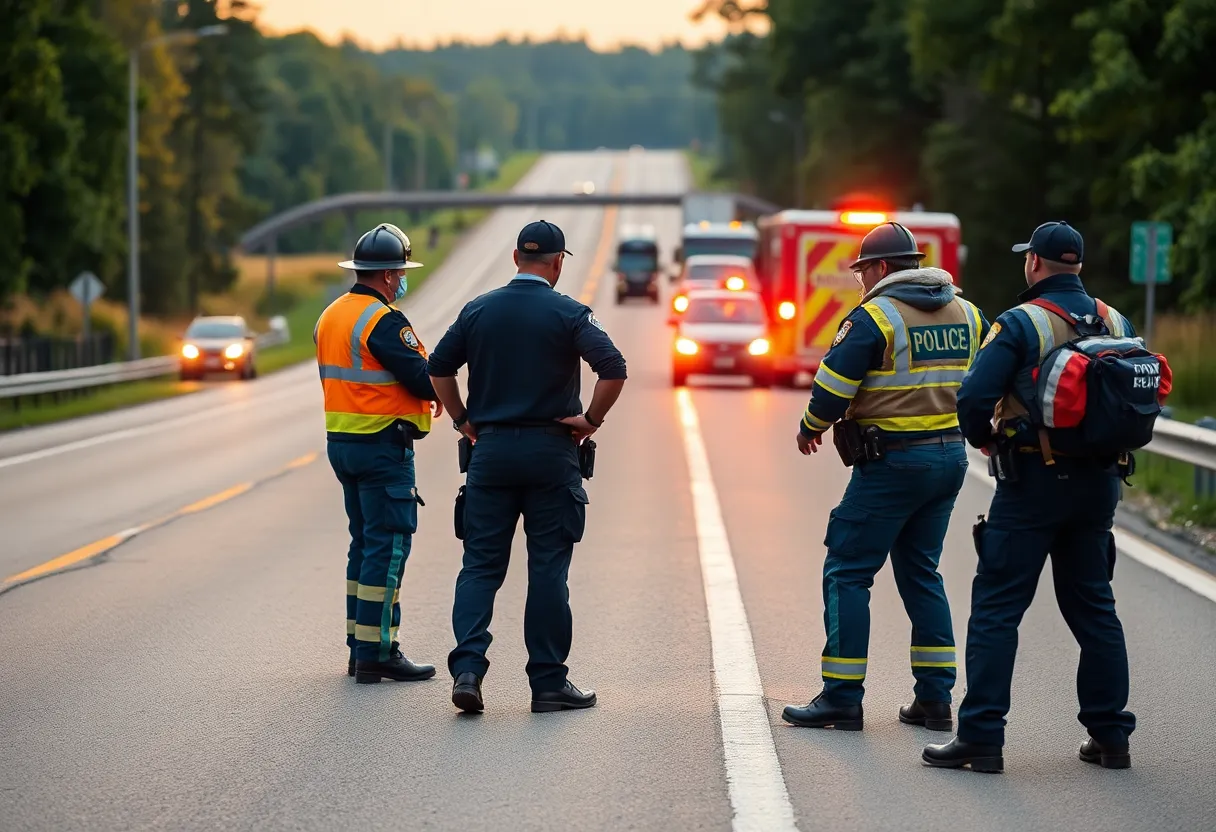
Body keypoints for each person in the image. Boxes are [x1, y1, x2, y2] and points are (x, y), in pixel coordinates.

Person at [924, 221, 1138, 773]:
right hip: (1100, 483)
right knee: (1094, 609)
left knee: (997, 609)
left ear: (1035, 264)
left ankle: (981, 739)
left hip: (1032, 481)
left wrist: (986, 439)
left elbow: (973, 397)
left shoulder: (1020, 323)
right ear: (1080, 266)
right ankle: (1111, 736)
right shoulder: (1117, 319)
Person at [781, 222, 988, 732]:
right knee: (922, 573)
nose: (859, 281)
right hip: (950, 460)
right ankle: (936, 700)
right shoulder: (969, 312)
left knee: (847, 570)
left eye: (861, 272)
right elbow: (989, 377)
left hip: (893, 462)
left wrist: (812, 426)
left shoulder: (875, 317)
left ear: (877, 269)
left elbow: (833, 384)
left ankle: (841, 697)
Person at [427, 219, 627, 714]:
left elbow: (438, 367)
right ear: (558, 263)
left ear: (515, 257)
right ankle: (548, 685)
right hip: (550, 455)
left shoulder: (477, 311)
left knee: (479, 568)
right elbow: (613, 368)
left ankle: (469, 670)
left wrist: (462, 420)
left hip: (490, 455)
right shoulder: (569, 313)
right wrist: (591, 420)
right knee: (547, 572)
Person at [315, 223, 442, 684]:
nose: (402, 280)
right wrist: (443, 390)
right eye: (401, 272)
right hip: (382, 446)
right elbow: (420, 375)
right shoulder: (383, 320)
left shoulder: (330, 315)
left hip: (342, 444)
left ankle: (359, 646)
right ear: (389, 275)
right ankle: (378, 651)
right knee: (388, 547)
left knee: (364, 545)